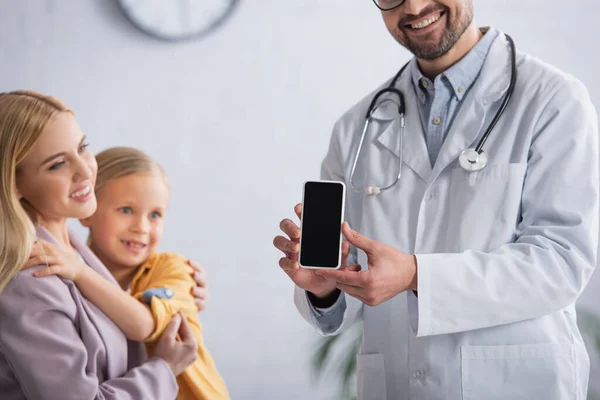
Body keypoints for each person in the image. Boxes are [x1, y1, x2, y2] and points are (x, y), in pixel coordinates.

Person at [273, 1, 599, 399]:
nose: (412, 6)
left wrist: (416, 276)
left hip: (516, 384)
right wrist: (326, 288)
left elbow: (561, 263)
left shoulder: (554, 101)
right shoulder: (356, 128)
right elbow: (352, 288)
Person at [0, 90, 200, 399]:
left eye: (82, 147)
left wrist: (180, 295)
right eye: (57, 165)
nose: (85, 171)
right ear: (14, 184)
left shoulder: (74, 253)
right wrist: (164, 367)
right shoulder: (31, 280)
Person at [25, 146, 230, 400]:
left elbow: (144, 325)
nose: (141, 227)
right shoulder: (66, 272)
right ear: (88, 211)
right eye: (126, 210)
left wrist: (79, 272)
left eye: (155, 214)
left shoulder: (174, 269)